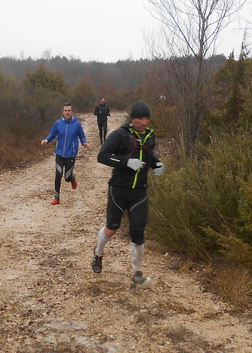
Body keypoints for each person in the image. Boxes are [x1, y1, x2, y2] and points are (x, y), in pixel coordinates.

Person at [92, 101, 165, 286]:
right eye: (140, 118)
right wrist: (126, 162)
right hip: (119, 189)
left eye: (147, 118)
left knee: (138, 231)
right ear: (132, 118)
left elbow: (149, 155)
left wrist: (156, 164)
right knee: (111, 229)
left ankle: (137, 272)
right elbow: (103, 155)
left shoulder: (150, 135)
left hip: (139, 191)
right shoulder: (120, 135)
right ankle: (98, 253)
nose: (144, 122)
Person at [41, 102, 90, 205]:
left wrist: (84, 143)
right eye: (65, 111)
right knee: (58, 175)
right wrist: (46, 140)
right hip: (59, 153)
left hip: (71, 154)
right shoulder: (58, 123)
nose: (67, 112)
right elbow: (52, 134)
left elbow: (81, 136)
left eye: (69, 110)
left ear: (72, 112)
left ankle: (72, 178)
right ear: (63, 112)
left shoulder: (76, 124)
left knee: (67, 177)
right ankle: (57, 198)